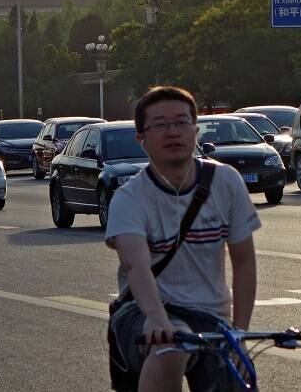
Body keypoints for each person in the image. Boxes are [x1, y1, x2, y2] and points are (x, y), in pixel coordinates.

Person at [106, 85, 260, 392]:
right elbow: (136, 266)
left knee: (239, 377)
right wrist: (156, 318)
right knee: (170, 349)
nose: (172, 132)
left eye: (181, 122)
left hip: (210, 315)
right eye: (160, 125)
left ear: (196, 130)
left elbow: (244, 262)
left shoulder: (226, 180)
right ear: (142, 139)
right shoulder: (129, 197)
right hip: (143, 310)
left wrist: (239, 333)